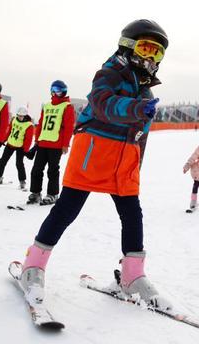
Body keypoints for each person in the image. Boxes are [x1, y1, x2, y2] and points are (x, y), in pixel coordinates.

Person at [18, 19, 169, 309]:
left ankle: (132, 275)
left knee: (132, 214)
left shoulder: (147, 92)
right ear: (128, 46)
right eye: (146, 48)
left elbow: (142, 136)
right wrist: (136, 108)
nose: (150, 57)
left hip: (124, 160)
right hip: (94, 154)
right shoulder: (110, 73)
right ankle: (33, 267)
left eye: (157, 53)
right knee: (67, 210)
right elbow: (103, 103)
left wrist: (137, 165)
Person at [27, 80, 75, 205]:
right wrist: (37, 140)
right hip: (43, 143)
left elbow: (69, 127)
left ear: (63, 92)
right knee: (36, 169)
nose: (55, 92)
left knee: (52, 170)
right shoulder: (47, 106)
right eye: (53, 90)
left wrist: (65, 144)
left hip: (56, 144)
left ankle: (53, 194)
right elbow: (41, 123)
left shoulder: (67, 107)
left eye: (58, 90)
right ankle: (35, 193)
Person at [0, 107, 34, 190]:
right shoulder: (14, 120)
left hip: (20, 147)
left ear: (25, 116)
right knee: (3, 160)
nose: (19, 117)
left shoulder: (29, 125)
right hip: (10, 144)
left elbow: (28, 139)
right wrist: (3, 140)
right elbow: (9, 132)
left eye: (21, 116)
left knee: (19, 164)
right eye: (18, 115)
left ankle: (22, 181)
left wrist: (26, 149)